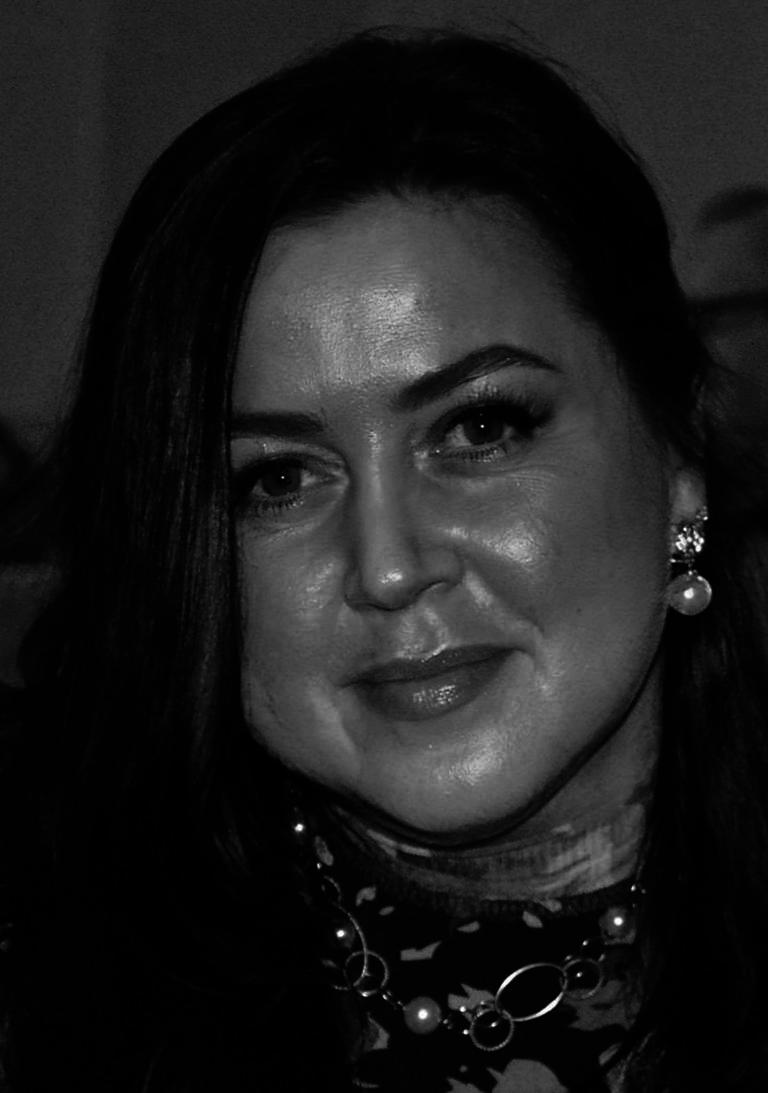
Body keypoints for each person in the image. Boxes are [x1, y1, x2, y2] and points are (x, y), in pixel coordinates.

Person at [2, 28, 768, 1093]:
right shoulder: (42, 991)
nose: (389, 566)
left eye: (480, 429)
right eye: (276, 478)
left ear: (678, 454)